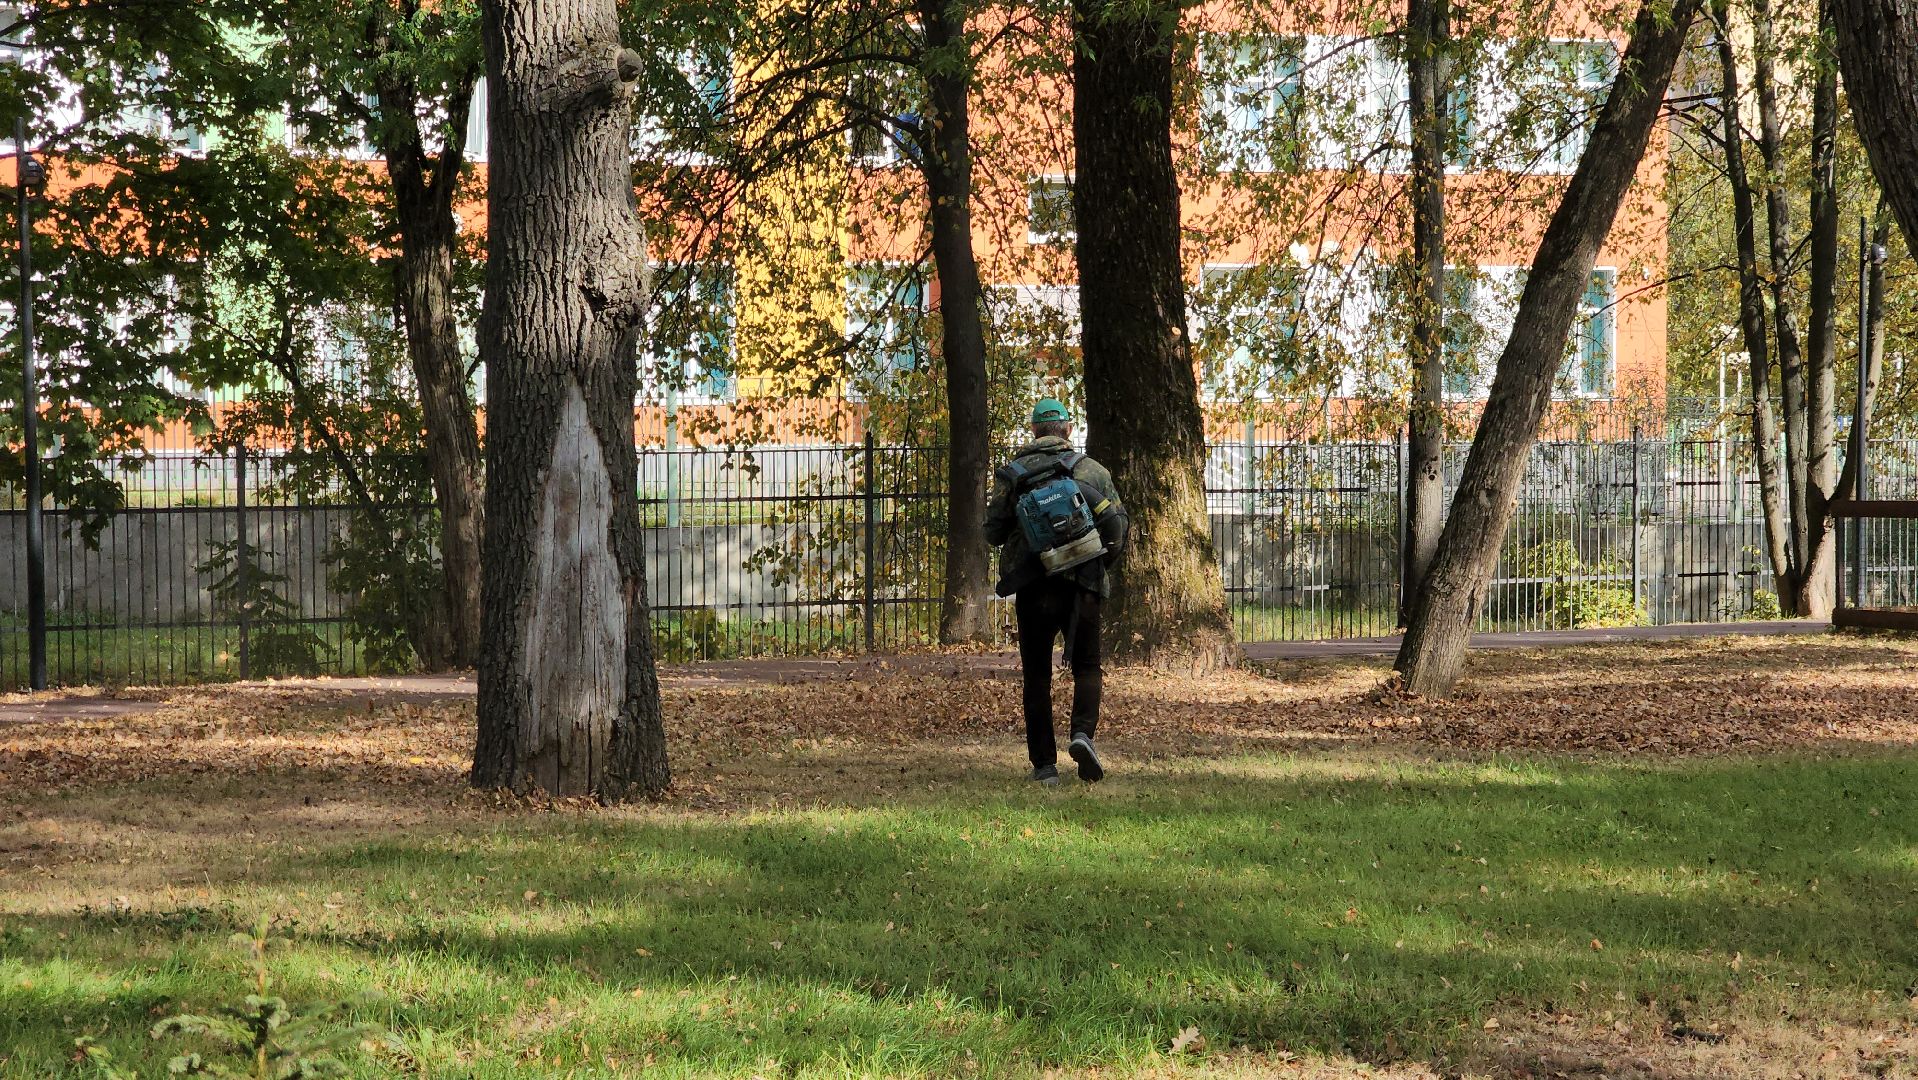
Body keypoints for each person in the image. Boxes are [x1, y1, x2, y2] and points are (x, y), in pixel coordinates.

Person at [984, 399, 1129, 785]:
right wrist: (1099, 566)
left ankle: (1045, 766)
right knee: (1086, 665)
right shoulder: (1092, 471)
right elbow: (1118, 527)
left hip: (1033, 586)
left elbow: (992, 532)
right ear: (1067, 430)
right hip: (1084, 583)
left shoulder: (1012, 474)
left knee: (1037, 675)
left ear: (1034, 431)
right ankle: (1082, 735)